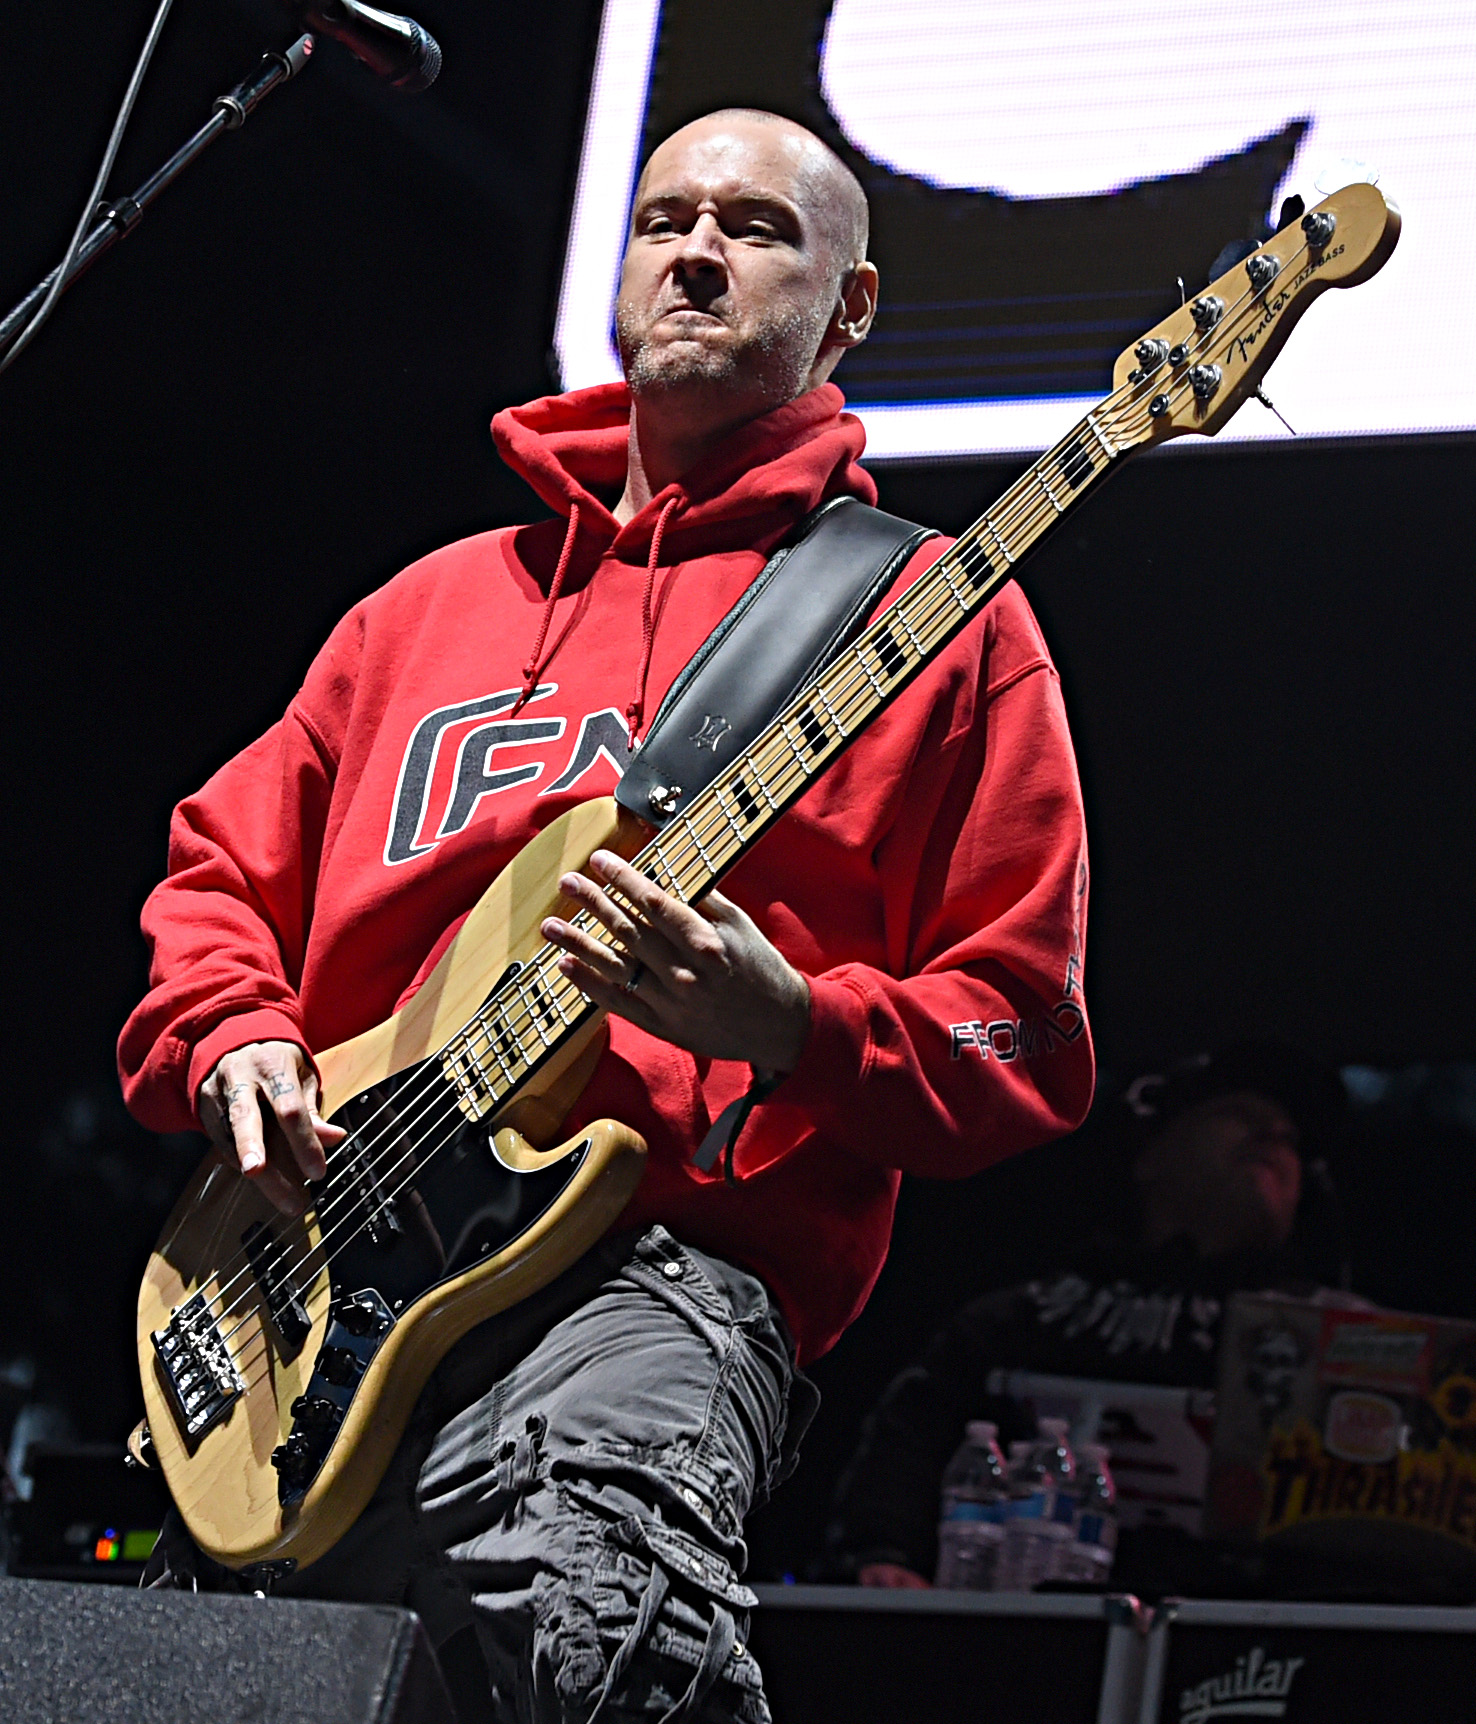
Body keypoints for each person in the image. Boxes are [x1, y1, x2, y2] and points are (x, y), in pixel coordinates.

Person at [119, 110, 1093, 1722]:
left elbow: (1027, 1033)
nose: (697, 253)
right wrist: (233, 1035)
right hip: (306, 1288)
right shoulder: (426, 607)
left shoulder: (937, 622)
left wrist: (795, 1024)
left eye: (756, 228)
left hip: (652, 1273)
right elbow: (220, 870)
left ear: (851, 305)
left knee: (602, 1638)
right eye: (664, 220)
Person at [824, 1042, 1348, 1592]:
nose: (1272, 1137)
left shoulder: (1345, 1344)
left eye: (1289, 1139)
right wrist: (885, 1555)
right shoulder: (1016, 1322)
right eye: (1240, 1115)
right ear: (1150, 1154)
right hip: (1026, 1622)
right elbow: (907, 1446)